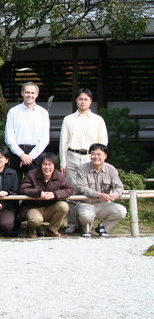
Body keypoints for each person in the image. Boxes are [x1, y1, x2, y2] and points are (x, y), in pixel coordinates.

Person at [59, 88, 109, 233]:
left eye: (86, 99)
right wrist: (63, 162)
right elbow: (63, 142)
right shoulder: (68, 119)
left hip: (90, 158)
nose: (83, 102)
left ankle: (85, 224)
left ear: (91, 101)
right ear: (76, 100)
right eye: (80, 99)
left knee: (89, 190)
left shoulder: (98, 120)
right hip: (72, 156)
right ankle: (72, 224)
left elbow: (103, 142)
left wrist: (99, 160)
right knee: (72, 190)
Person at [74, 144, 127, 237]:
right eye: (93, 154)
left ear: (105, 156)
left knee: (121, 211)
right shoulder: (82, 169)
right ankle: (85, 228)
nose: (96, 157)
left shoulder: (111, 169)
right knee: (85, 216)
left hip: (104, 204)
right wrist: (98, 195)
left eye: (99, 154)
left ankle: (103, 227)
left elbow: (119, 187)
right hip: (86, 203)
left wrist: (115, 194)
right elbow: (82, 188)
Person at [4, 81, 50, 185]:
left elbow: (44, 139)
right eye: (27, 92)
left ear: (37, 94)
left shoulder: (43, 113)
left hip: (35, 153)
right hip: (16, 152)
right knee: (13, 185)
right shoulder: (13, 112)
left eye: (32, 93)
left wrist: (30, 156)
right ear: (22, 93)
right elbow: (9, 137)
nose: (30, 95)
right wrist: (21, 155)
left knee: (35, 185)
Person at [19, 152, 73, 238]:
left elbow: (70, 189)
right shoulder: (32, 174)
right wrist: (38, 193)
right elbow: (22, 189)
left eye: (50, 165)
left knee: (64, 206)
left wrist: (54, 194)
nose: (47, 167)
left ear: (55, 166)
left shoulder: (59, 176)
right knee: (36, 220)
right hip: (32, 207)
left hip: (49, 207)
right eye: (44, 164)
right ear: (40, 165)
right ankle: (31, 231)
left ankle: (52, 231)